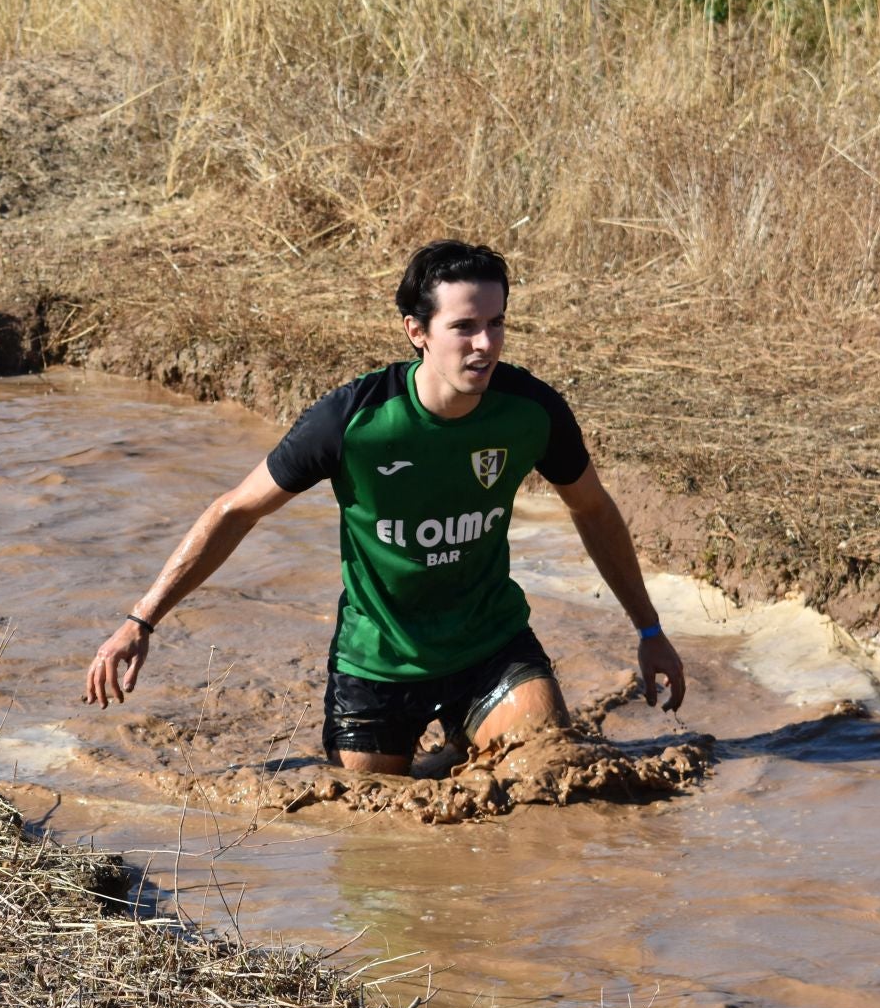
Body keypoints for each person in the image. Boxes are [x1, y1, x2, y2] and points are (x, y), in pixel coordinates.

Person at [83, 239, 688, 776]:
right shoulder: (354, 420)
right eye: (465, 326)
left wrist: (651, 630)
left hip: (490, 645)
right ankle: (449, 755)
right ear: (416, 331)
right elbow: (236, 511)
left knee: (546, 767)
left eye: (497, 324)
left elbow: (594, 510)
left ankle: (472, 737)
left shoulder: (532, 412)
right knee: (371, 812)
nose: (485, 345)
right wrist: (141, 622)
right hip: (376, 659)